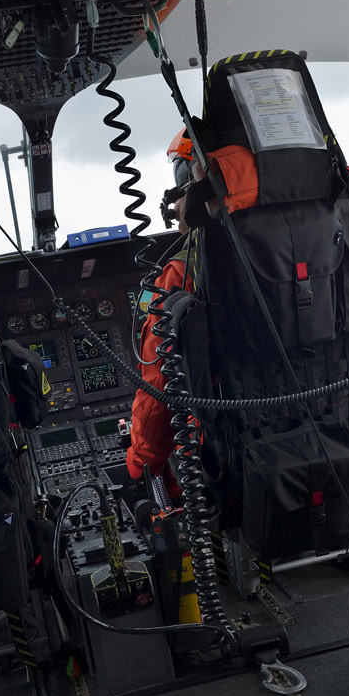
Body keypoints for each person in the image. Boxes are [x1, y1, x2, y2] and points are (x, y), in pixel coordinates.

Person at [125, 130, 201, 487]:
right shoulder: (326, 240)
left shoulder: (182, 274)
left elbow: (159, 391)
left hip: (228, 460)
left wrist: (139, 461)